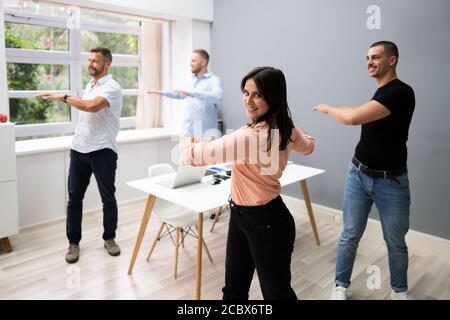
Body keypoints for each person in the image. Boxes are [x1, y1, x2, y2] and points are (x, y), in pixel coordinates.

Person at [183, 66, 315, 300]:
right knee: (235, 289)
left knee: (275, 294)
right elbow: (309, 147)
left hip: (265, 221)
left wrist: (189, 141)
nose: (249, 101)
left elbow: (192, 156)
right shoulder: (286, 129)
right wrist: (286, 122)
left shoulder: (249, 136)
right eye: (246, 92)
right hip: (246, 216)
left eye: (258, 94)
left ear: (273, 98)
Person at [313, 41, 415, 300]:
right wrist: (343, 109)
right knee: (349, 234)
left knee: (395, 242)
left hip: (390, 182)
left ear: (392, 60)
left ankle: (399, 291)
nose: (369, 62)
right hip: (358, 175)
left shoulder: (400, 92)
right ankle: (340, 286)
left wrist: (326, 108)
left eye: (375, 57)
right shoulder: (381, 93)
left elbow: (351, 118)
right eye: (367, 57)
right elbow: (356, 111)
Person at [36, 47, 123, 264]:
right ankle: (73, 243)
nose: (91, 64)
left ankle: (109, 238)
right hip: (79, 149)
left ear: (108, 64)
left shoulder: (112, 87)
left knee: (108, 198)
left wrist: (63, 97)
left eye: (95, 61)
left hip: (102, 150)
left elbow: (91, 107)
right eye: (90, 60)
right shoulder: (90, 85)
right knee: (74, 199)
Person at [148, 49, 223, 137]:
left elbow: (218, 96)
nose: (190, 63)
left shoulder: (213, 80)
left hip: (206, 134)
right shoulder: (192, 80)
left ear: (203, 62)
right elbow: (182, 94)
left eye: (193, 60)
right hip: (188, 131)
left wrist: (192, 93)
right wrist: (162, 93)